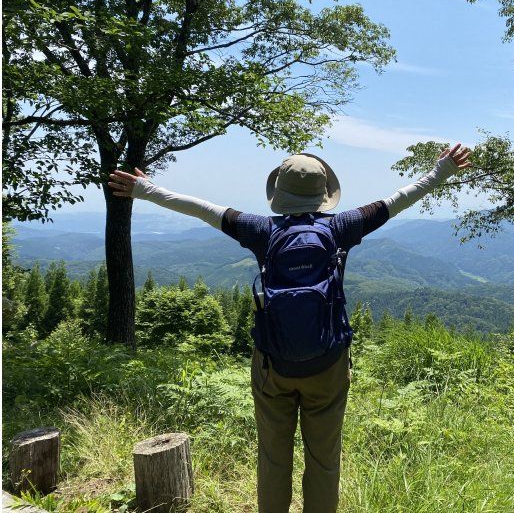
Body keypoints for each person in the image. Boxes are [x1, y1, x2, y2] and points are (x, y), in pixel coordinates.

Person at [108, 143, 472, 513]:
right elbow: (398, 199)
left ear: (279, 193)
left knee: (273, 458)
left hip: (272, 364)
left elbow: (203, 208)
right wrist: (441, 170)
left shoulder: (260, 231)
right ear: (323, 194)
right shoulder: (343, 227)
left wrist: (145, 189)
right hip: (328, 362)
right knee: (325, 460)